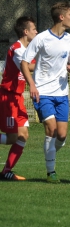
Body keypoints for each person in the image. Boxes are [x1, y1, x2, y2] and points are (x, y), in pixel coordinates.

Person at [21, 0, 70, 183]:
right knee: (52, 129)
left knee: (62, 135)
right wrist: (31, 84)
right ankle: (51, 171)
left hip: (62, 93)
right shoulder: (41, 39)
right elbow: (24, 62)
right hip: (42, 92)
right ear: (61, 17)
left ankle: (50, 153)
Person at [0, 16, 37, 180]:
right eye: (34, 29)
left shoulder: (27, 49)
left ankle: (6, 171)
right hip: (8, 97)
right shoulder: (17, 48)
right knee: (14, 137)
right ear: (26, 31)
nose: (37, 32)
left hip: (18, 98)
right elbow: (27, 67)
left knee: (23, 136)